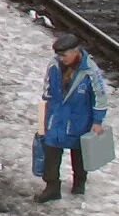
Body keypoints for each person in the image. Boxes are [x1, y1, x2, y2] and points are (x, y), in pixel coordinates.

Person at [36, 32, 109, 202]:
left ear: (76, 51)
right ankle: (52, 186)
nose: (61, 59)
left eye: (64, 55)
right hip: (57, 118)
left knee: (79, 153)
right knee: (51, 151)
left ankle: (79, 183)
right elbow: (47, 92)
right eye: (59, 55)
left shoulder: (90, 71)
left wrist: (97, 121)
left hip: (79, 120)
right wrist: (43, 118)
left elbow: (100, 96)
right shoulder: (54, 66)